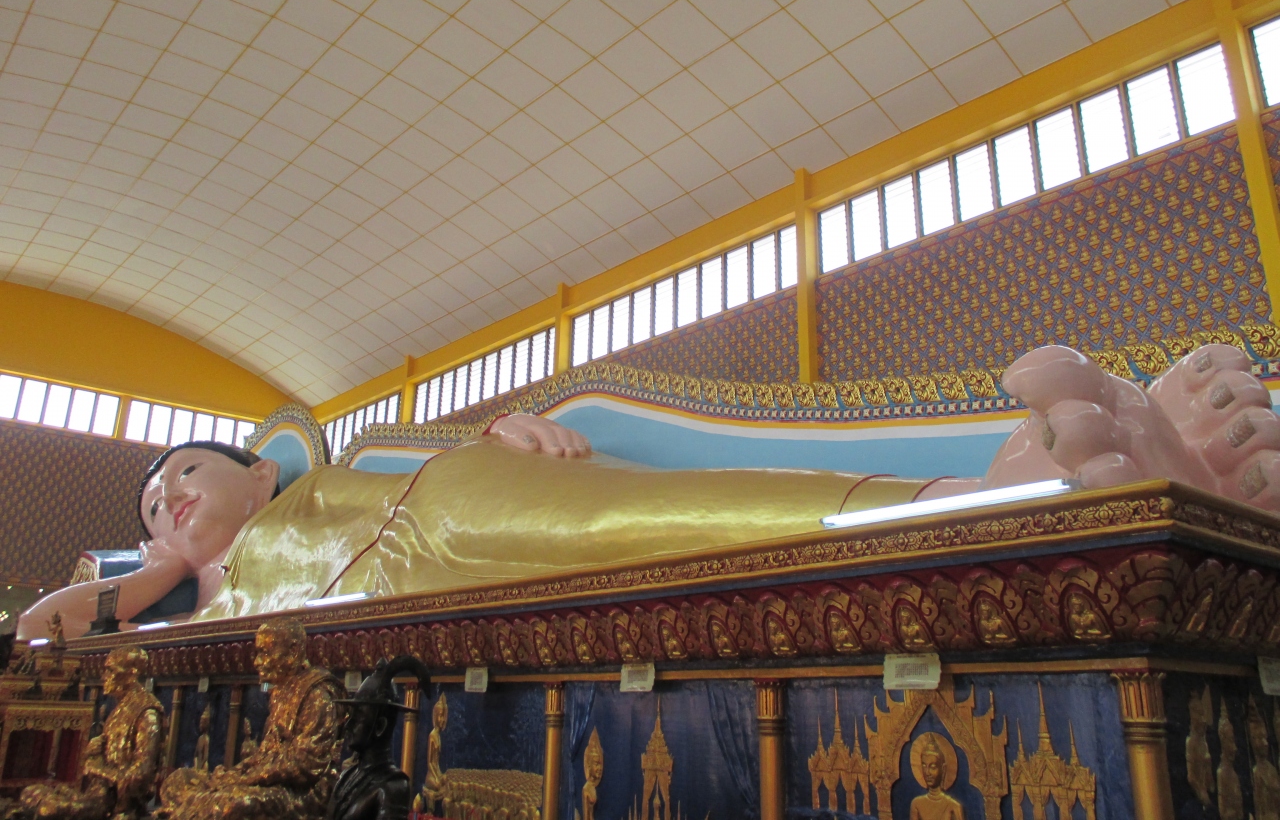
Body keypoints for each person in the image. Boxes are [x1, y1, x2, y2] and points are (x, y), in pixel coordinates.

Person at [17, 342, 1280, 636]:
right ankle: (1012, 488)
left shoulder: (335, 473)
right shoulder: (190, 600)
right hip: (404, 610)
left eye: (184, 474)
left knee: (672, 516)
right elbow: (48, 631)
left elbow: (436, 451)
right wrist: (155, 571)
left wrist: (507, 430)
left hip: (449, 511)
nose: (169, 501)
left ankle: (980, 495)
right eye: (152, 505)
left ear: (256, 465)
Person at [155, 617, 342, 820]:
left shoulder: (317, 695)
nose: (257, 662)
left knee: (234, 803)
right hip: (264, 780)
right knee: (178, 780)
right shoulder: (281, 692)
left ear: (293, 651)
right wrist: (234, 773)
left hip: (300, 792)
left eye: (265, 652)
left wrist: (245, 779)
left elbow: (306, 765)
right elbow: (266, 754)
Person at [18, 647, 162, 820]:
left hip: (112, 803)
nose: (104, 677)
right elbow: (100, 757)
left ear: (132, 674)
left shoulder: (147, 713)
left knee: (47, 809)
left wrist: (97, 768)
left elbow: (140, 777)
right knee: (30, 792)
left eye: (110, 670)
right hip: (94, 792)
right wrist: (93, 755)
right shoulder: (120, 708)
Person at [327, 656, 431, 820]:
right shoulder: (346, 776)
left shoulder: (392, 786)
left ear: (379, 727)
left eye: (358, 717)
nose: (348, 725)